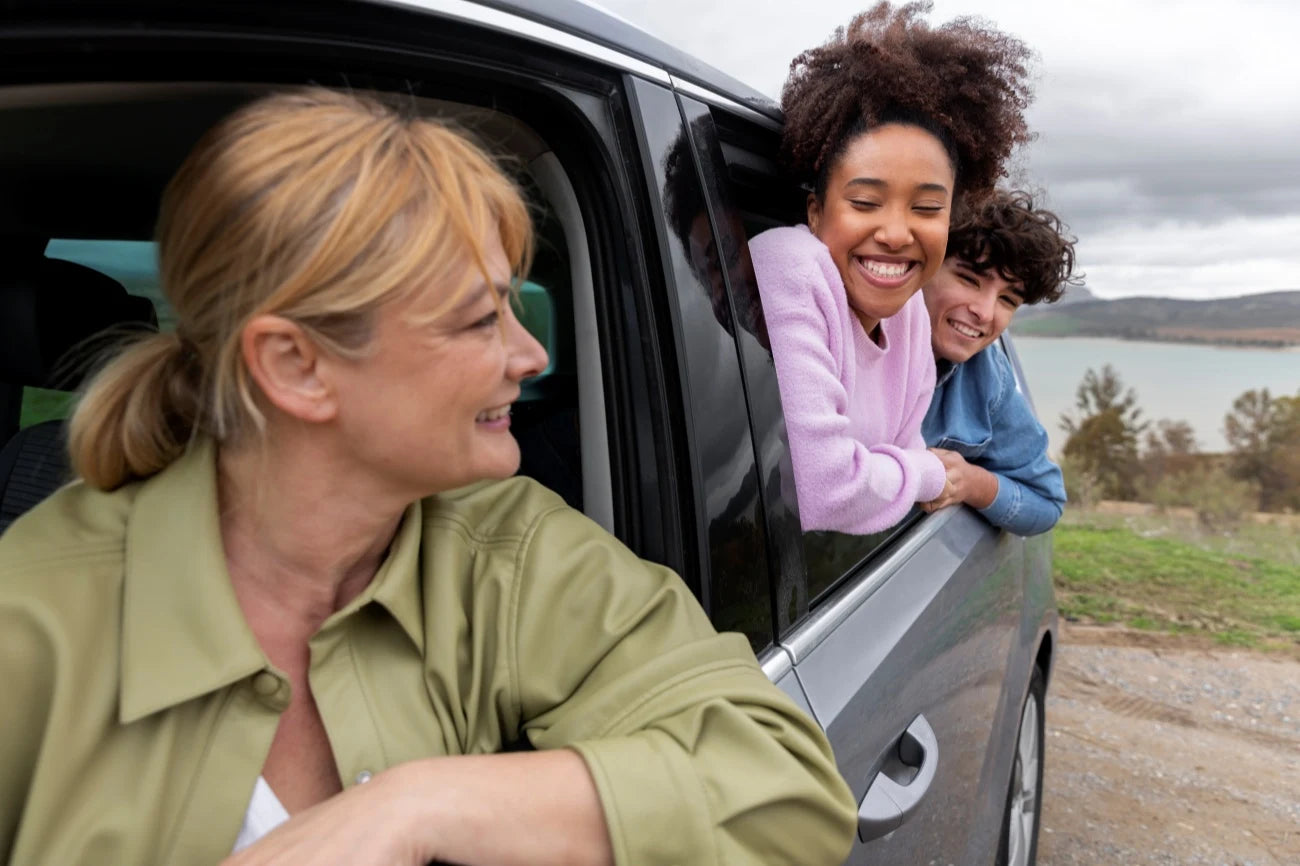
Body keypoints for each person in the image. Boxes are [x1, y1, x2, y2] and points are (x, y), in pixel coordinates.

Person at [0, 89, 858, 866]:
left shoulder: (508, 549)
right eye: (482, 319)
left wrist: (416, 805)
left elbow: (786, 785)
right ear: (296, 366)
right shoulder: (32, 615)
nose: (530, 357)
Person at [748, 1, 1034, 535]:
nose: (898, 233)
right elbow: (829, 491)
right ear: (816, 211)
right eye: (864, 202)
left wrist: (888, 470)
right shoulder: (793, 266)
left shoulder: (908, 314)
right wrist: (926, 473)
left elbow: (891, 454)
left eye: (927, 209)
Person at [920, 189, 1076, 535]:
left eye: (1007, 299)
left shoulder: (988, 375)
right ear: (923, 265)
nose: (985, 313)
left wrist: (972, 483)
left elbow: (1046, 502)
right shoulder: (846, 340)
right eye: (969, 279)